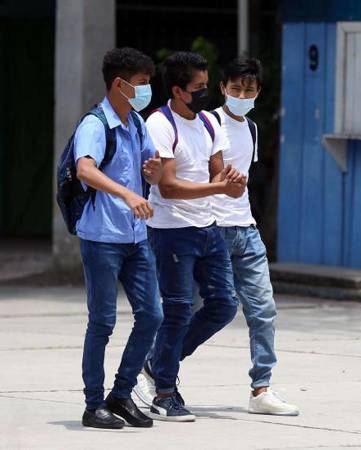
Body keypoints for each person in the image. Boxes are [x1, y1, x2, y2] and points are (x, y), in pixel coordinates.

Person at [136, 51, 245, 422]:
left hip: (208, 227)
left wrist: (231, 183)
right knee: (179, 309)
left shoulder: (207, 124)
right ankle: (164, 391)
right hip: (171, 232)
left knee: (224, 306)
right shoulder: (160, 124)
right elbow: (167, 187)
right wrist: (217, 189)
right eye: (198, 88)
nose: (204, 94)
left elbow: (217, 173)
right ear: (179, 91)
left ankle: (157, 362)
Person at [74, 47, 164, 429]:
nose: (146, 91)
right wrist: (127, 194)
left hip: (135, 237)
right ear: (119, 83)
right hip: (101, 238)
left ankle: (122, 394)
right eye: (142, 84)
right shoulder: (95, 124)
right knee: (103, 322)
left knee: (152, 315)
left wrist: (154, 170)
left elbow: (151, 171)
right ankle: (93, 403)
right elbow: (84, 170)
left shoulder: (136, 123)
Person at [209, 57, 299, 415]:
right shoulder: (207, 123)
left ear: (258, 91)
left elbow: (243, 179)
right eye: (235, 88)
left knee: (264, 310)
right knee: (204, 311)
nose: (242, 94)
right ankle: (160, 368)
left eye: (249, 89)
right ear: (222, 88)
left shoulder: (252, 129)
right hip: (211, 230)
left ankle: (261, 388)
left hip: (246, 230)